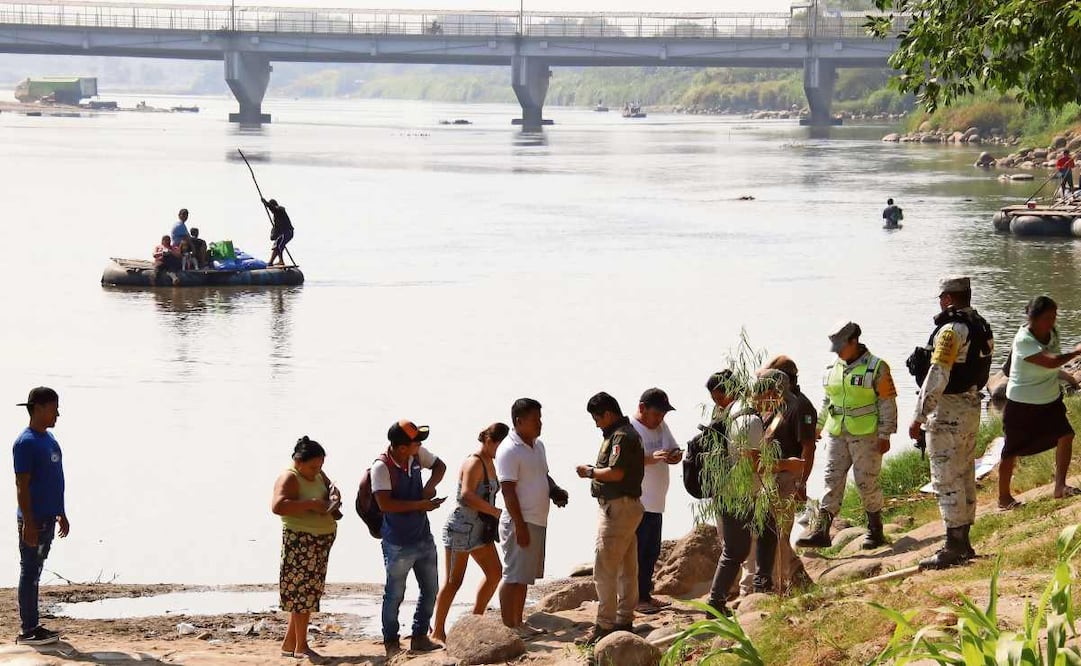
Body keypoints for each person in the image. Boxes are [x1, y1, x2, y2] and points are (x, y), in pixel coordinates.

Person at [908, 277, 994, 569]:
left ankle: (953, 546)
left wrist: (919, 415)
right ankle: (963, 541)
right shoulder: (979, 324)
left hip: (948, 411)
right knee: (964, 472)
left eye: (941, 298)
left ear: (947, 298)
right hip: (971, 406)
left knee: (946, 476)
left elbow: (938, 374)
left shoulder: (951, 330)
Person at [705, 374, 804, 615]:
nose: (777, 404)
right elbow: (753, 463)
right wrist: (788, 465)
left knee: (767, 528)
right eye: (775, 398)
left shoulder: (730, 412)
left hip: (738, 490)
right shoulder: (749, 419)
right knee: (736, 550)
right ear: (765, 395)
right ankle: (715, 603)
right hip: (737, 493)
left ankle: (762, 585)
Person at [796, 321, 898, 550]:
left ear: (854, 341)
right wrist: (818, 426)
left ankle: (875, 530)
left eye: (842, 346)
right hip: (837, 432)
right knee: (831, 478)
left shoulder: (876, 367)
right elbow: (827, 400)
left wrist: (886, 434)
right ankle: (821, 532)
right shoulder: (833, 368)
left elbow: (887, 402)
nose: (839, 352)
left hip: (867, 434)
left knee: (866, 482)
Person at [372, 420, 447, 657]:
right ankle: (391, 642)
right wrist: (420, 504)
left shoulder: (417, 455)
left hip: (423, 535)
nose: (420, 446)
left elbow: (440, 466)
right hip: (397, 541)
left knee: (431, 588)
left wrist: (430, 487)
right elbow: (384, 504)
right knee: (395, 593)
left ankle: (419, 636)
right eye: (416, 443)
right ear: (402, 447)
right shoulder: (381, 467)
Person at [575, 392, 645, 646]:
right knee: (627, 567)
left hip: (617, 509)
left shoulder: (621, 437)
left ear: (607, 413)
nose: (596, 424)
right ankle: (624, 619)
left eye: (597, 418)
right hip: (626, 508)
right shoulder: (624, 433)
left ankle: (605, 625)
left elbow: (616, 473)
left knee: (604, 569)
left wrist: (589, 472)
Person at [999, 296, 1081, 511]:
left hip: (1049, 397)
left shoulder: (1053, 333)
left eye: (1054, 317)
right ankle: (1004, 498)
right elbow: (1050, 361)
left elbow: (1054, 364)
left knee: (1066, 434)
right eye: (1046, 318)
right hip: (1022, 401)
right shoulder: (1023, 340)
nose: (1051, 322)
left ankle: (1060, 486)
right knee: (1011, 450)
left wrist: (1068, 377)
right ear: (1032, 318)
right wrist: (1076, 351)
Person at [496, 398, 568, 636]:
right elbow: (507, 490)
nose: (540, 423)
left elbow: (543, 475)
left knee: (524, 576)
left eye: (540, 418)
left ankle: (520, 621)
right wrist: (519, 526)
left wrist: (555, 491)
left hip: (537, 519)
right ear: (519, 421)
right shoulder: (508, 449)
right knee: (513, 575)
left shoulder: (538, 446)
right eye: (535, 419)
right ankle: (510, 627)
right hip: (521, 520)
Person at [431, 423, 509, 642]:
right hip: (460, 529)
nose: (501, 452)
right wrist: (495, 511)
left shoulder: (491, 462)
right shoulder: (474, 462)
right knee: (454, 582)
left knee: (495, 574)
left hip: (480, 531)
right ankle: (437, 631)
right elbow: (465, 495)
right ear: (489, 441)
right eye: (499, 446)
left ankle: (475, 620)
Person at [270, 436, 342, 662]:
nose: (317, 471)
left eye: (320, 466)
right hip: (301, 542)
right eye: (313, 467)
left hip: (320, 541)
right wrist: (311, 503)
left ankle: (290, 643)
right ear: (299, 461)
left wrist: (334, 495)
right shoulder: (289, 477)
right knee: (301, 596)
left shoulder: (318, 473)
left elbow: (330, 485)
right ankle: (302, 647)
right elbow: (278, 506)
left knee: (309, 594)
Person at [12, 387, 67, 647]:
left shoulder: (50, 439)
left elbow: (55, 480)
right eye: (54, 408)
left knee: (36, 571)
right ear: (40, 408)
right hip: (33, 521)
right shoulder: (26, 443)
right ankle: (28, 630)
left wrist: (61, 512)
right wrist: (29, 524)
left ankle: (33, 625)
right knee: (29, 571)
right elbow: (22, 485)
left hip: (48, 518)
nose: (58, 413)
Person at [756, 360, 817, 591]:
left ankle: (790, 583)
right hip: (773, 477)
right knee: (771, 533)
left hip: (787, 477)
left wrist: (802, 483)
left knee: (779, 534)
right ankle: (787, 580)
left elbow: (808, 448)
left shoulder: (799, 407)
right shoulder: (780, 406)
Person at [629, 388, 681, 615]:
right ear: (642, 408)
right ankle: (635, 599)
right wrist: (650, 459)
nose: (660, 418)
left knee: (651, 552)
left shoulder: (661, 427)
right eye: (657, 413)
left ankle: (645, 595)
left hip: (658, 503)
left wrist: (675, 455)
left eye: (663, 414)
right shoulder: (630, 429)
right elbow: (623, 461)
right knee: (637, 554)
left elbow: (673, 448)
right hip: (638, 503)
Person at [262, 198, 294, 266]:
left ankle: (281, 261)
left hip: (288, 232)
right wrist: (273, 235)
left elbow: (274, 208)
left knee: (279, 246)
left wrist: (266, 203)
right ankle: (271, 262)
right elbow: (275, 231)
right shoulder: (276, 217)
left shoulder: (280, 210)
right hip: (283, 233)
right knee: (276, 246)